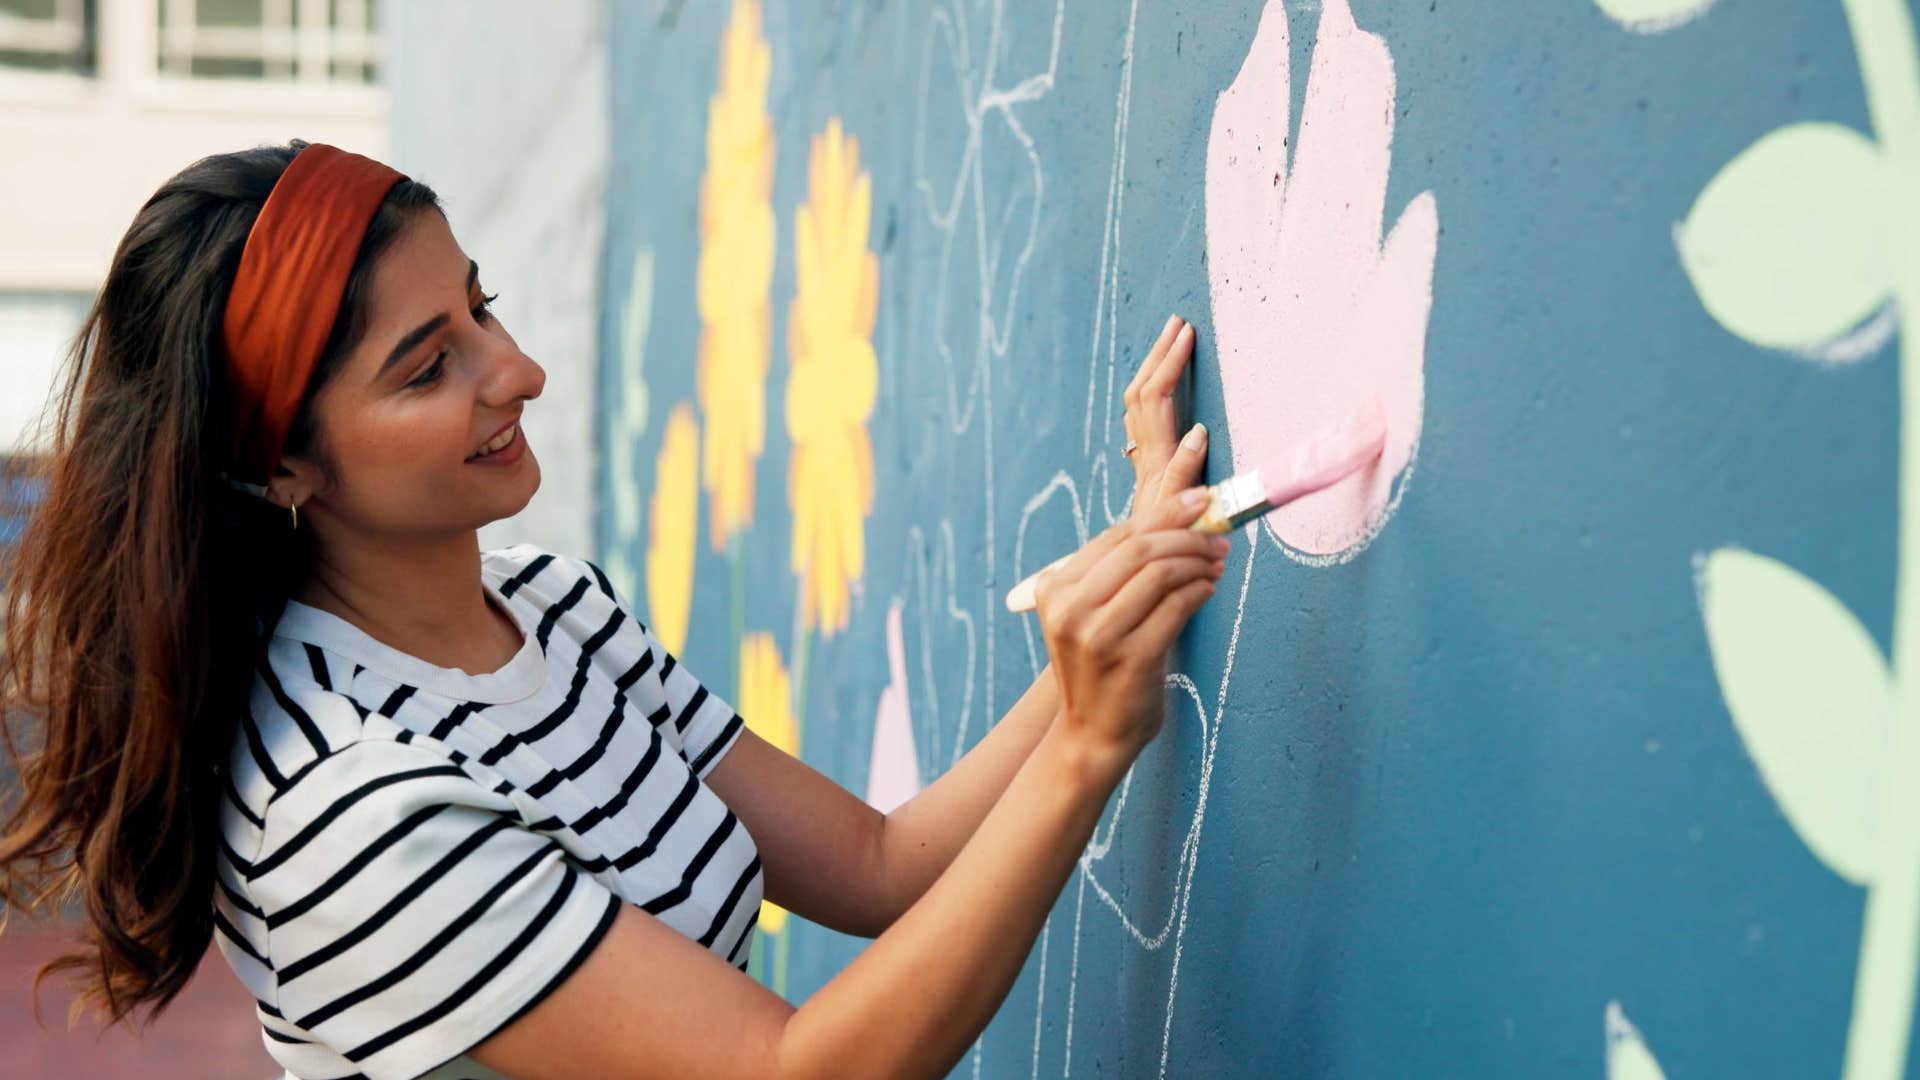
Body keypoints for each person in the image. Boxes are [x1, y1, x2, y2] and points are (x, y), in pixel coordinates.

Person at [0, 140, 1226, 1079]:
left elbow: (879, 864)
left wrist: (1127, 570)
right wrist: (1085, 745)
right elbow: (801, 1069)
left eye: (482, 308)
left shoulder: (548, 608)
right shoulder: (348, 812)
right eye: (429, 367)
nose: (516, 371)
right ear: (282, 469)